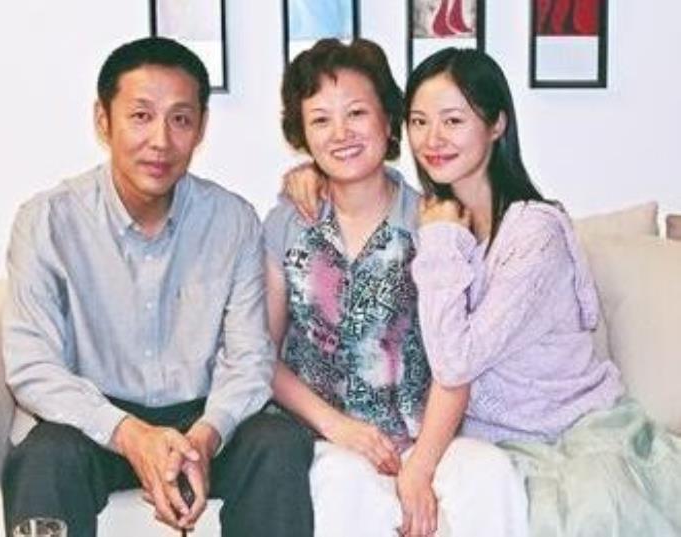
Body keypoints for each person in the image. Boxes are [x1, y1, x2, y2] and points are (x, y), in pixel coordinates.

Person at [286, 45, 681, 535]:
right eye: (420, 122)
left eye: (453, 121)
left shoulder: (531, 233)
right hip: (488, 445)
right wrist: (315, 176)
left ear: (496, 125)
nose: (433, 139)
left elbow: (456, 361)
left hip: (568, 440)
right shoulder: (437, 217)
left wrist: (441, 240)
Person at [1, 37, 313, 537]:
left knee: (277, 442)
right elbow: (32, 366)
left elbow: (249, 358)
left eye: (180, 119)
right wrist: (131, 435)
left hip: (200, 418)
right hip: (94, 420)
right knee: (43, 457)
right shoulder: (46, 222)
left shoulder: (232, 221)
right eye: (141, 116)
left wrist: (205, 439)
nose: (161, 140)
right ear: (103, 120)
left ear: (201, 128)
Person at [266, 38, 527, 537]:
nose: (340, 133)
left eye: (356, 113)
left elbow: (456, 360)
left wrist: (420, 466)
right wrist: (337, 427)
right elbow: (261, 352)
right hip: (324, 436)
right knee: (343, 483)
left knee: (489, 473)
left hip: (427, 438)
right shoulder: (286, 223)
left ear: (389, 121)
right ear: (302, 133)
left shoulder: (438, 222)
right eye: (320, 120)